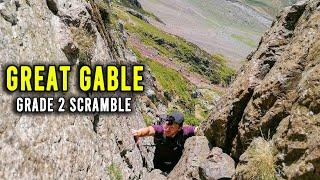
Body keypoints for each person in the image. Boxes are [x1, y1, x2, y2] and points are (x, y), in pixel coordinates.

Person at [132, 111, 197, 173]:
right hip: (159, 163)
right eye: (167, 124)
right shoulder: (161, 129)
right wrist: (139, 133)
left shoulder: (185, 132)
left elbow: (198, 129)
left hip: (175, 165)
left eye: (172, 127)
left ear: (179, 128)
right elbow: (149, 130)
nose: (167, 129)